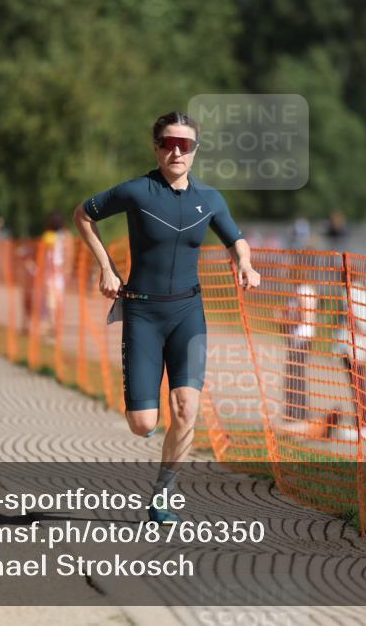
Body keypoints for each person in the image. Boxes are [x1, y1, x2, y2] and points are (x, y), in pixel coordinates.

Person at [73, 111, 260, 525]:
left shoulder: (209, 199)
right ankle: (150, 428)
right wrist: (106, 267)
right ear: (156, 147)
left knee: (187, 409)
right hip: (142, 309)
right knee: (142, 424)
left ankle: (163, 493)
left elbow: (237, 239)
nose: (176, 151)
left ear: (195, 151)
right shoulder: (137, 192)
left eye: (185, 145)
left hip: (187, 312)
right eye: (168, 144)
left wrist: (245, 264)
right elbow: (82, 215)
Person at [325, 271, 366, 442]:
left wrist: (360, 340)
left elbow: (358, 319)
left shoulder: (353, 293)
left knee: (358, 385)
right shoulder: (358, 292)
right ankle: (362, 422)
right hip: (354, 344)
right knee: (357, 384)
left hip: (356, 346)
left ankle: (364, 424)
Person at [274, 284, 318, 431]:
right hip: (298, 339)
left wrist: (285, 320)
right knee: (294, 376)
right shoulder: (303, 290)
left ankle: (297, 414)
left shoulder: (302, 290)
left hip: (301, 339)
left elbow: (305, 316)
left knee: (295, 377)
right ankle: (294, 413)